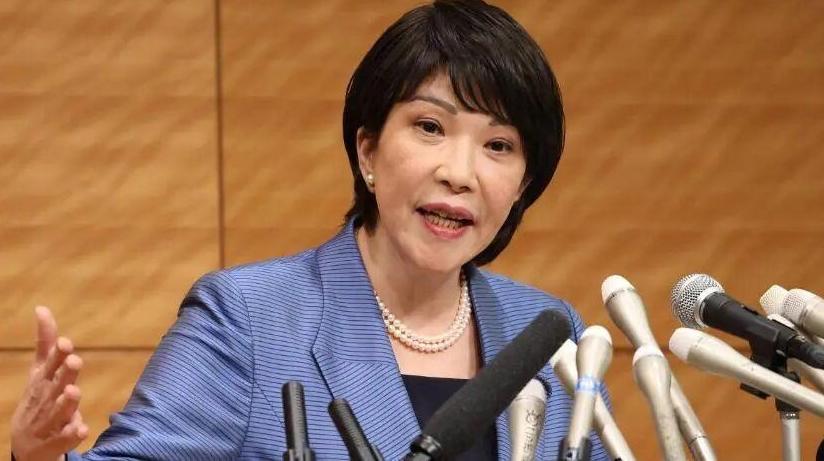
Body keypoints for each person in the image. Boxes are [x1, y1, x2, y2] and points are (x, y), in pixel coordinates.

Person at [11, 1, 610, 460]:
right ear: (368, 151)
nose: (460, 173)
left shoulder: (552, 336)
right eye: (430, 127)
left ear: (524, 183)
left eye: (498, 145)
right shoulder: (249, 319)